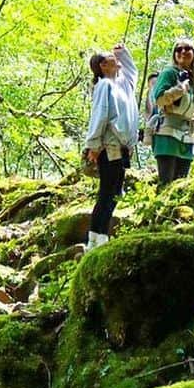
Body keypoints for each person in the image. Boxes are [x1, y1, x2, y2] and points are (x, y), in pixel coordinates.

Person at [83, 42, 139, 247]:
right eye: (110, 59)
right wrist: (93, 145)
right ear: (102, 66)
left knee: (114, 193)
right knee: (106, 193)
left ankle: (101, 237)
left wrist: (123, 52)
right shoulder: (104, 86)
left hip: (122, 149)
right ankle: (94, 239)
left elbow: (133, 71)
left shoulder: (123, 85)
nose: (115, 61)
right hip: (109, 148)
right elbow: (100, 115)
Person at [151, 37, 194, 187]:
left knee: (180, 185)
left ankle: (175, 210)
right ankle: (160, 210)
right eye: (179, 49)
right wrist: (179, 89)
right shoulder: (169, 73)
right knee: (166, 183)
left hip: (187, 136)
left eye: (187, 48)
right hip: (167, 135)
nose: (183, 52)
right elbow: (159, 99)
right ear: (174, 54)